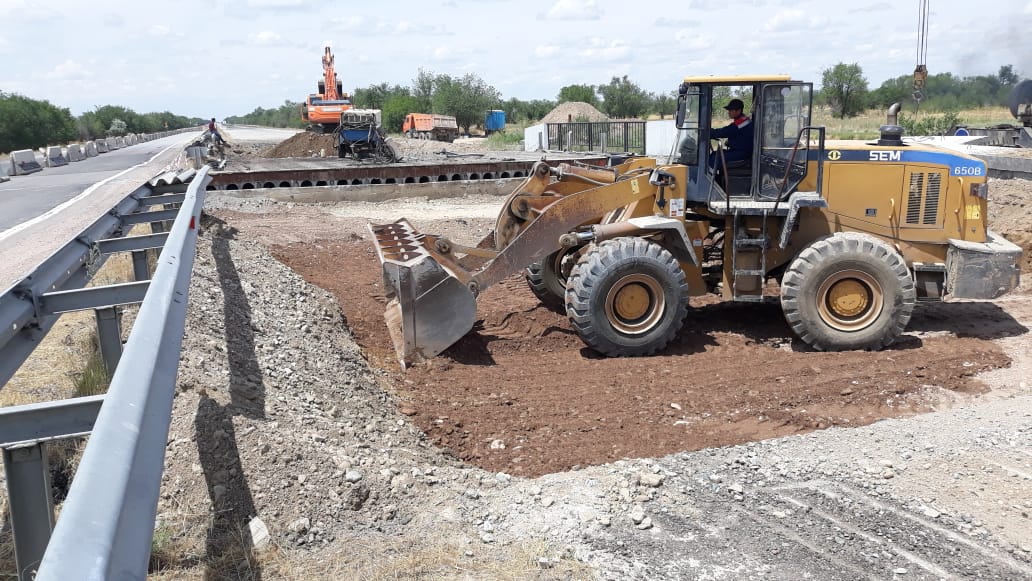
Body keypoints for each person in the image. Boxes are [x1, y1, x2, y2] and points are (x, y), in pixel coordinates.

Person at [708, 98, 753, 168]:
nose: (729, 112)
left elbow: (724, 132)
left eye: (731, 110)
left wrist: (709, 132)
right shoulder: (743, 120)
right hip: (739, 151)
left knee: (714, 159)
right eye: (729, 110)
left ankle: (710, 178)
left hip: (742, 154)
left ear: (739, 111)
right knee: (714, 154)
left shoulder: (741, 123)